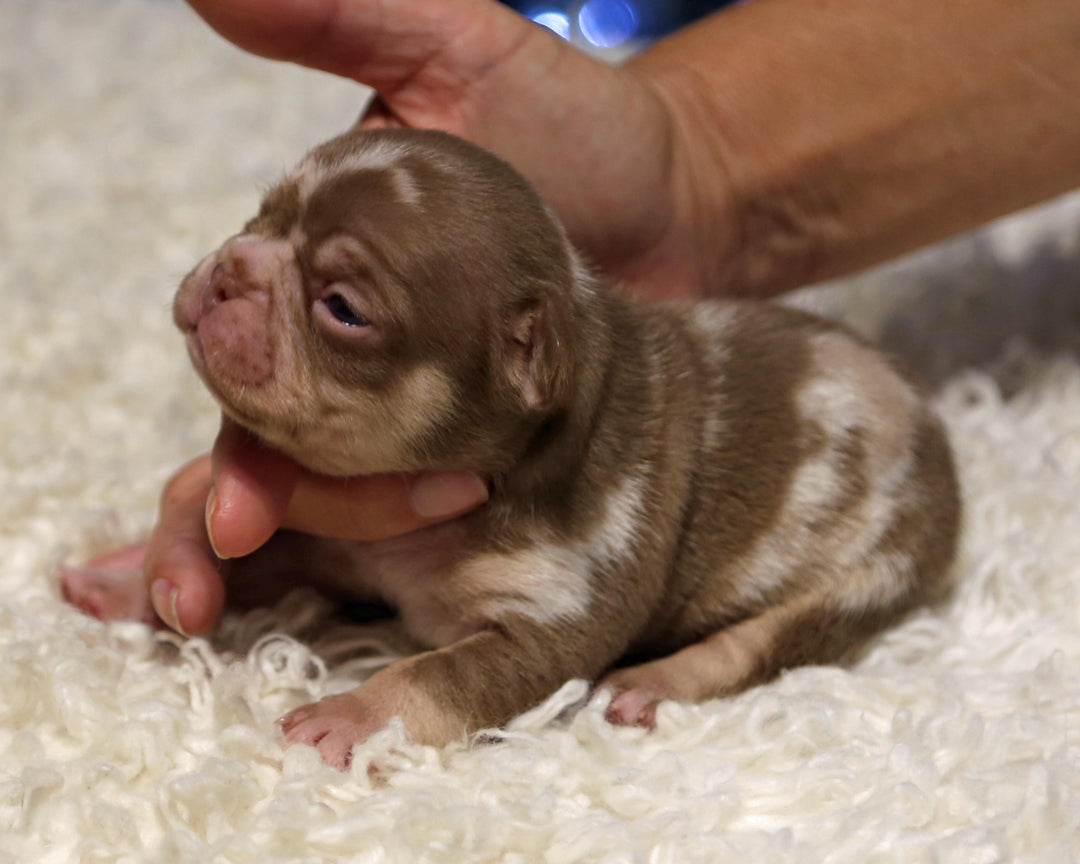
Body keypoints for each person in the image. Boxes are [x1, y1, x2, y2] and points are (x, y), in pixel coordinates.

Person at [81, 0, 1080, 636]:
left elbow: (558, 623)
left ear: (527, 368)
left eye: (338, 306)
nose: (234, 273)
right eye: (264, 223)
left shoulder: (582, 520)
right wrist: (691, 166)